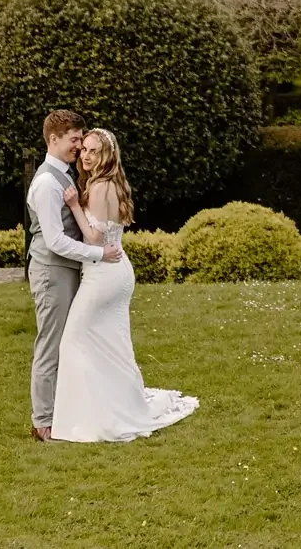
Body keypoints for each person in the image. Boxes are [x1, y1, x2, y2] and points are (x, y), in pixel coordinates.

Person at [47, 127, 198, 443]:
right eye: (84, 149)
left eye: (93, 151)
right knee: (109, 345)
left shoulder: (101, 188)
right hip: (112, 273)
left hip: (105, 274)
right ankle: (113, 405)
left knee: (74, 340)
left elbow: (96, 238)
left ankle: (91, 418)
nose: (86, 156)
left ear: (107, 156)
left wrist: (74, 204)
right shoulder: (105, 183)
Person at [26, 109, 120, 440]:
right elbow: (54, 240)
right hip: (52, 272)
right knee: (50, 346)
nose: (79, 147)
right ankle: (43, 422)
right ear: (54, 139)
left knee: (69, 343)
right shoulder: (47, 183)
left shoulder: (65, 174)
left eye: (81, 140)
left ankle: (64, 412)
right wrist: (99, 253)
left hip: (67, 270)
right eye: (74, 140)